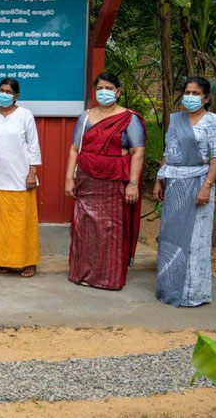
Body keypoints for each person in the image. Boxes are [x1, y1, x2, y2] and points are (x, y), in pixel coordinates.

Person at [65, 72, 146, 290]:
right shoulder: (86, 116)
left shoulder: (129, 118)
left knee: (110, 229)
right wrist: (68, 179)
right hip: (86, 178)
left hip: (114, 180)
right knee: (84, 226)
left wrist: (133, 183)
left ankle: (107, 277)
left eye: (109, 88)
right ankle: (81, 273)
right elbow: (74, 149)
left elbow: (137, 151)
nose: (104, 92)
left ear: (118, 92)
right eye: (100, 88)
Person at [153, 77, 216, 307]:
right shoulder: (176, 120)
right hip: (174, 184)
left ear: (206, 98)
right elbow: (168, 151)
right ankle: (169, 288)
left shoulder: (213, 122)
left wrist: (207, 187)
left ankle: (192, 294)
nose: (190, 97)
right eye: (187, 92)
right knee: (170, 237)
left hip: (198, 184)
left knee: (195, 239)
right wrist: (159, 180)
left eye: (196, 93)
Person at [0, 78, 42, 278]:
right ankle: (4, 261)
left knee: (22, 222)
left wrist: (32, 173)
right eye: (1, 90)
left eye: (8, 92)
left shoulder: (25, 115)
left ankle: (28, 262)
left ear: (16, 96)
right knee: (1, 223)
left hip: (21, 177)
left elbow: (33, 145)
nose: (4, 94)